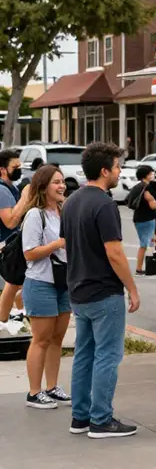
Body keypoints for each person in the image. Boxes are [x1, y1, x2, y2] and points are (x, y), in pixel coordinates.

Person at [60, 142, 140, 439]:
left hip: (78, 290)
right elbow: (115, 253)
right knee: (107, 355)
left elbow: (67, 245)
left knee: (84, 354)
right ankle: (101, 420)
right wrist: (132, 289)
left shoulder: (71, 201)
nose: (120, 172)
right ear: (105, 171)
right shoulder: (105, 205)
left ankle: (80, 417)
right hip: (104, 292)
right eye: (117, 167)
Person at [21, 165, 71, 409]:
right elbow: (29, 253)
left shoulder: (62, 211)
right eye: (56, 182)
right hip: (41, 283)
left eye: (62, 182)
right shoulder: (35, 215)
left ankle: (52, 387)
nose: (62, 186)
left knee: (57, 339)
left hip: (64, 282)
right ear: (43, 187)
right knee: (41, 339)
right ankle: (34, 392)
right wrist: (58, 244)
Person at [0, 149, 29, 336]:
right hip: (6, 245)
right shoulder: (2, 191)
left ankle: (16, 313)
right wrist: (25, 198)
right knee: (13, 283)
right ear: (2, 170)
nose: (19, 169)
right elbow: (10, 221)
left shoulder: (11, 188)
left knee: (15, 284)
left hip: (13, 244)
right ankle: (4, 319)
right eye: (15, 166)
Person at [129, 165, 156, 276]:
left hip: (139, 218)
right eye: (150, 173)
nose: (152, 175)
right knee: (145, 244)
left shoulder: (138, 186)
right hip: (147, 219)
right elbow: (153, 205)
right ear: (146, 175)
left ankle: (142, 268)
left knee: (148, 242)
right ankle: (140, 268)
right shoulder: (147, 188)